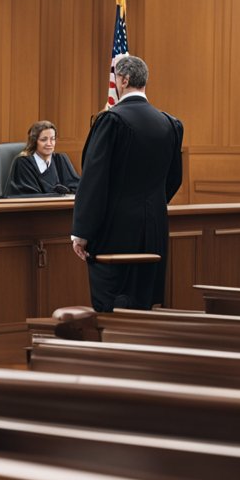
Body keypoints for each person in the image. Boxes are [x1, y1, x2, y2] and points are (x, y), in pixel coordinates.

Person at [71, 55, 183, 311]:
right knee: (143, 305)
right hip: (155, 229)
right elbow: (174, 178)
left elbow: (94, 180)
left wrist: (82, 232)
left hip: (115, 232)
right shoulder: (169, 123)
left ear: (123, 79)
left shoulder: (112, 120)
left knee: (111, 307)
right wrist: (151, 204)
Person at [5, 120, 81, 196]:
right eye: (44, 139)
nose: (49, 143)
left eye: (52, 139)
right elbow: (28, 195)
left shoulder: (60, 159)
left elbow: (76, 187)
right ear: (34, 141)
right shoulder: (23, 163)